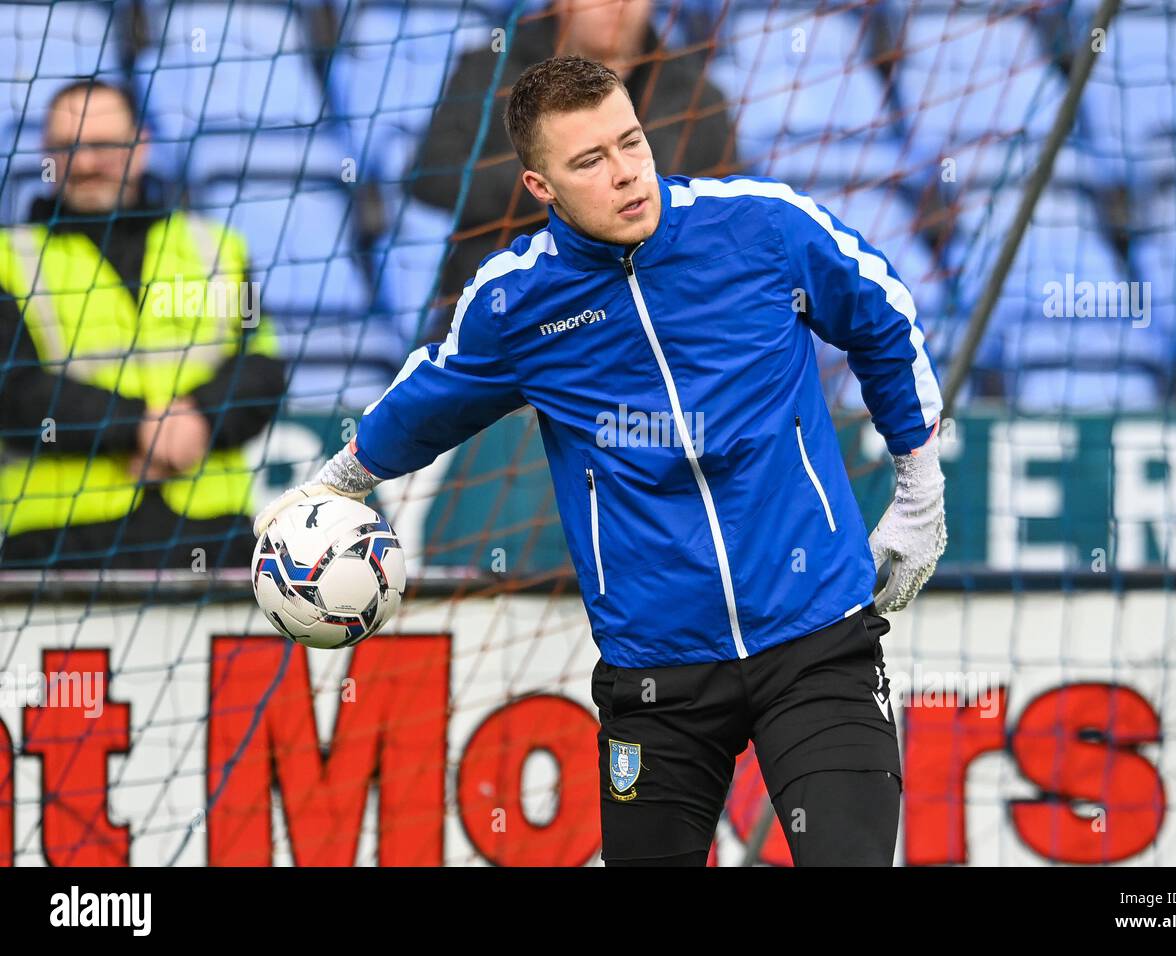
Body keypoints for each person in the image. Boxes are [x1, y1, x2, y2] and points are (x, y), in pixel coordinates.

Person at [256, 55, 946, 866]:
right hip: (657, 679)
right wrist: (336, 485)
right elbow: (427, 401)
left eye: (631, 143)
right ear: (541, 186)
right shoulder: (516, 303)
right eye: (590, 161)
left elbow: (885, 319)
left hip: (818, 641)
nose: (626, 174)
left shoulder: (766, 227)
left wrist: (917, 493)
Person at [0, 79, 285, 570]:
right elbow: (15, 392)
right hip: (56, 541)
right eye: (68, 148)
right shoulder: (9, 258)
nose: (86, 164)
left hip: (213, 532)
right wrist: (137, 427)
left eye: (104, 146)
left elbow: (261, 369)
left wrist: (199, 418)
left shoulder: (217, 247)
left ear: (141, 146)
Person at [406, 0, 734, 341]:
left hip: (646, 319)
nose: (616, 6)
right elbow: (432, 175)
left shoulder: (699, 96)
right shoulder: (490, 69)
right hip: (507, 314)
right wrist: (565, 190)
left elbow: (715, 224)